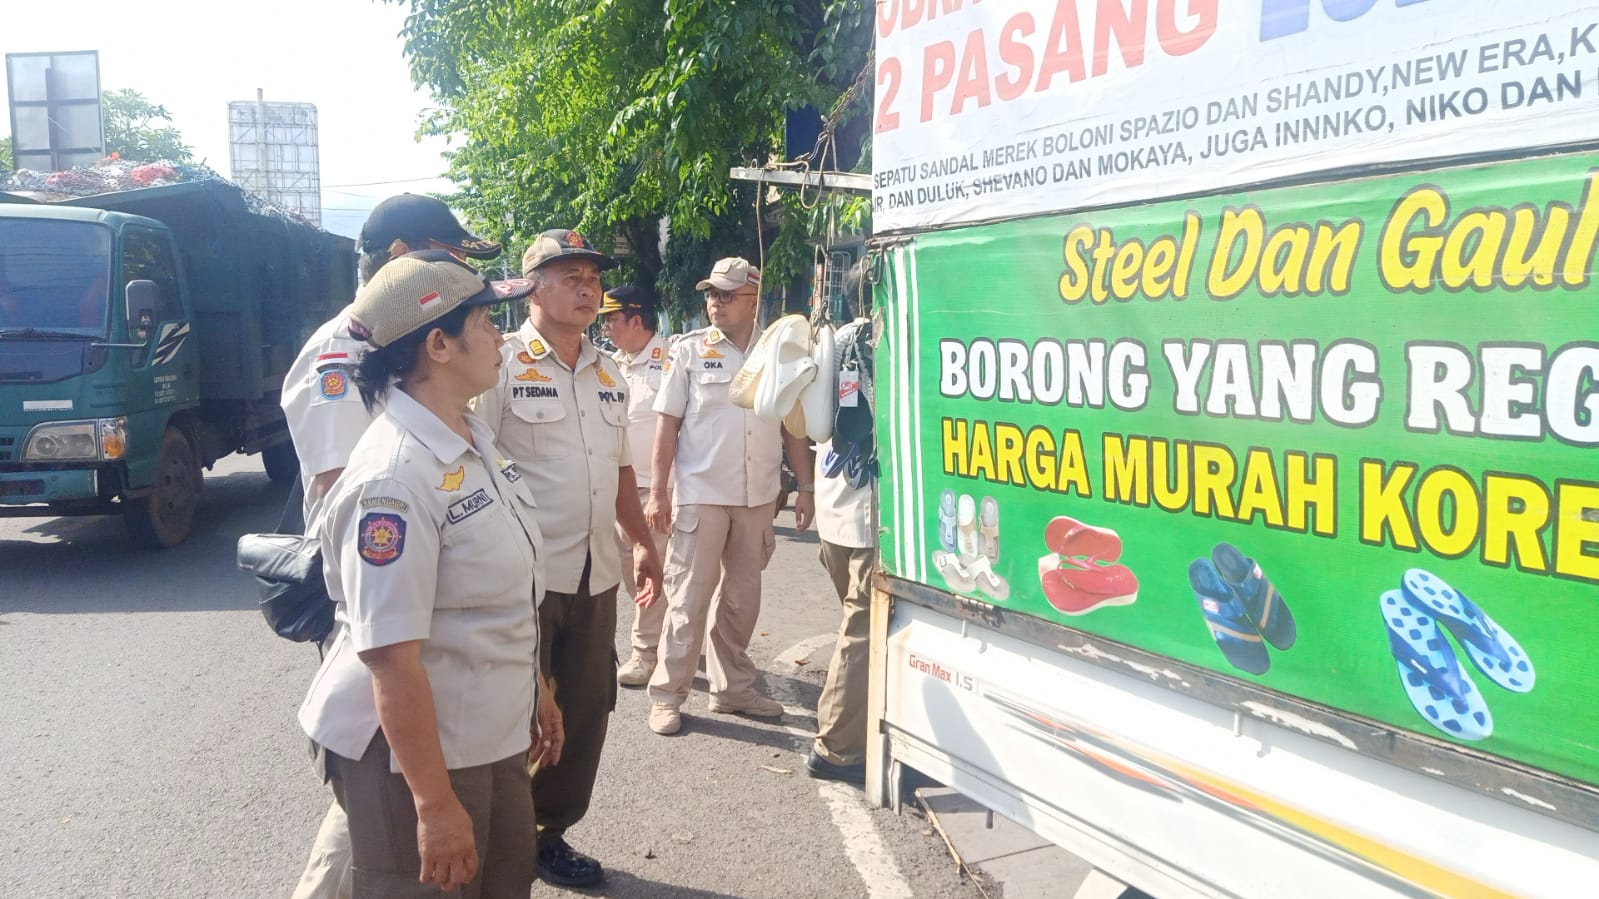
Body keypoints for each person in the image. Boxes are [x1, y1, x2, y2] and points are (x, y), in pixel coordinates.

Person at [298, 249, 556, 898]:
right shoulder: (393, 476)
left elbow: (491, 598)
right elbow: (389, 656)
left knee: (502, 881)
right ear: (438, 344)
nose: (502, 334)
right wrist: (434, 805)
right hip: (413, 753)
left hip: (483, 726)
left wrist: (534, 686)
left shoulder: (469, 436)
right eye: (485, 320)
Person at [471, 228, 663, 888]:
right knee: (511, 714)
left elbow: (619, 474)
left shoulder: (611, 370)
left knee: (581, 716)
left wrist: (642, 543)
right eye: (570, 275)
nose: (588, 288)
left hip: (594, 575)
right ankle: (498, 839)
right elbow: (470, 469)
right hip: (521, 580)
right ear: (532, 285)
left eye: (592, 277)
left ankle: (545, 834)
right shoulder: (495, 363)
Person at [643, 257, 814, 736]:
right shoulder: (691, 351)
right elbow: (668, 423)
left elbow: (792, 429)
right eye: (711, 294)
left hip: (758, 496)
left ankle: (733, 688)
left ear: (754, 299)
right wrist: (659, 491)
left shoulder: (777, 353)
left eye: (725, 294)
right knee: (687, 600)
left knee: (741, 601)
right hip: (700, 493)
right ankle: (667, 694)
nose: (713, 302)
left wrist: (805, 486)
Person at [598, 284, 673, 687]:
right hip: (617, 487)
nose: (607, 328)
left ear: (637, 319)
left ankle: (646, 652)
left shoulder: (673, 360)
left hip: (656, 490)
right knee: (628, 571)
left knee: (649, 570)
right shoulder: (610, 365)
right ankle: (667, 638)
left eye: (612, 319)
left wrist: (664, 491)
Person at [805, 432, 878, 784]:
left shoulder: (830, 371)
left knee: (862, 633)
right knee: (862, 634)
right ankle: (836, 748)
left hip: (834, 509)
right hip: (870, 518)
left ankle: (863, 726)